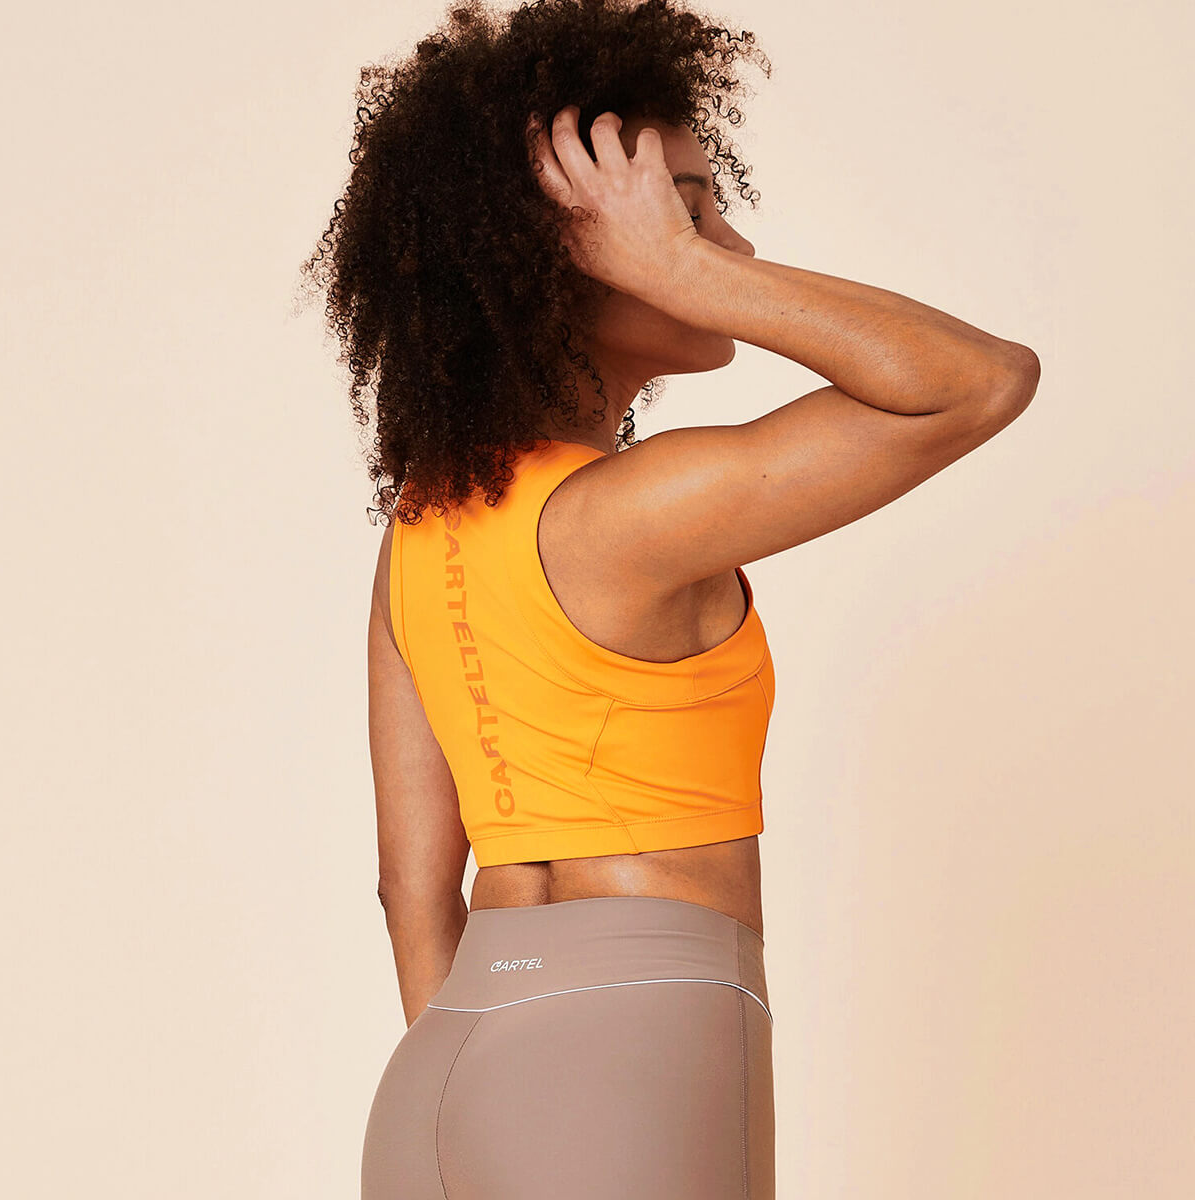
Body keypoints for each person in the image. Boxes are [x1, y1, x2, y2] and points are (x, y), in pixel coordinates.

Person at [302, 4, 1040, 1196]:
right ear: (565, 252)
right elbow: (978, 382)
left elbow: (411, 884)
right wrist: (683, 271)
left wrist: (497, 1072)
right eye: (686, 210)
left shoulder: (421, 530)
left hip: (442, 1067)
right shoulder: (633, 514)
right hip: (634, 1043)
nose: (729, 243)